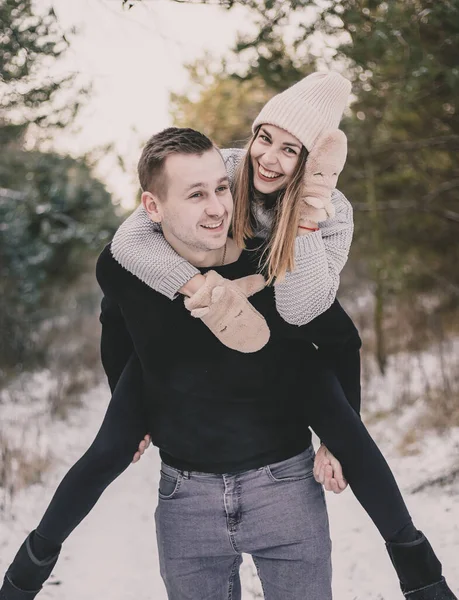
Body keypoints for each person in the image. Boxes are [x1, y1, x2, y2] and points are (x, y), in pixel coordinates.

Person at [1, 84, 456, 600]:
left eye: (293, 150)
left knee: (336, 414)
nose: (271, 159)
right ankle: (21, 581)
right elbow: (116, 315)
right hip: (168, 369)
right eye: (267, 138)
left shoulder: (324, 216)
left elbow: (331, 328)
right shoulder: (221, 176)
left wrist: (305, 217)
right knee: (107, 449)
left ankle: (424, 581)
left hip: (279, 332)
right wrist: (135, 387)